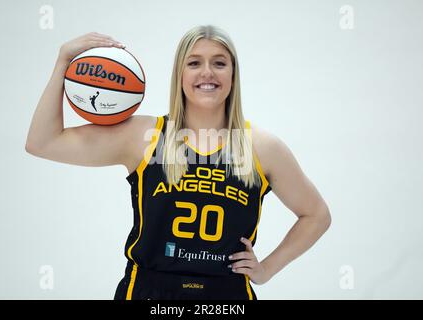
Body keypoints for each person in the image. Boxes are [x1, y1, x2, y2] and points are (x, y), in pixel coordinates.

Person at [25, 25, 331, 300]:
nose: (207, 72)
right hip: (148, 291)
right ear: (180, 74)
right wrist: (63, 61)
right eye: (195, 62)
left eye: (220, 63)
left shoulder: (261, 147)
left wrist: (266, 269)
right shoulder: (144, 136)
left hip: (227, 296)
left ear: (233, 75)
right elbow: (43, 142)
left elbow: (316, 215)